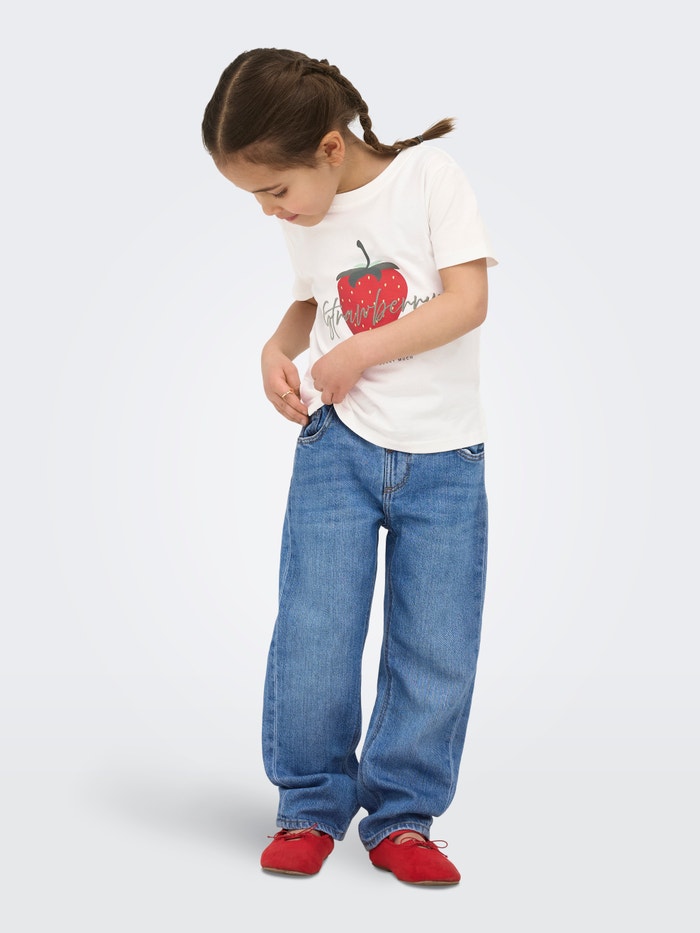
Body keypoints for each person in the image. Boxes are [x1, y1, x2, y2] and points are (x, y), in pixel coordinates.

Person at [202, 47, 497, 886]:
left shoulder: (430, 180)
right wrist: (276, 346)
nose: (269, 210)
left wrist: (361, 350)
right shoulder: (310, 215)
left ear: (330, 148)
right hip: (338, 450)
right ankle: (308, 804)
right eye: (256, 197)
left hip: (446, 459)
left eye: (273, 189)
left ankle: (403, 817)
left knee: (435, 643)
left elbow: (468, 300)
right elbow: (312, 298)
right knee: (316, 630)